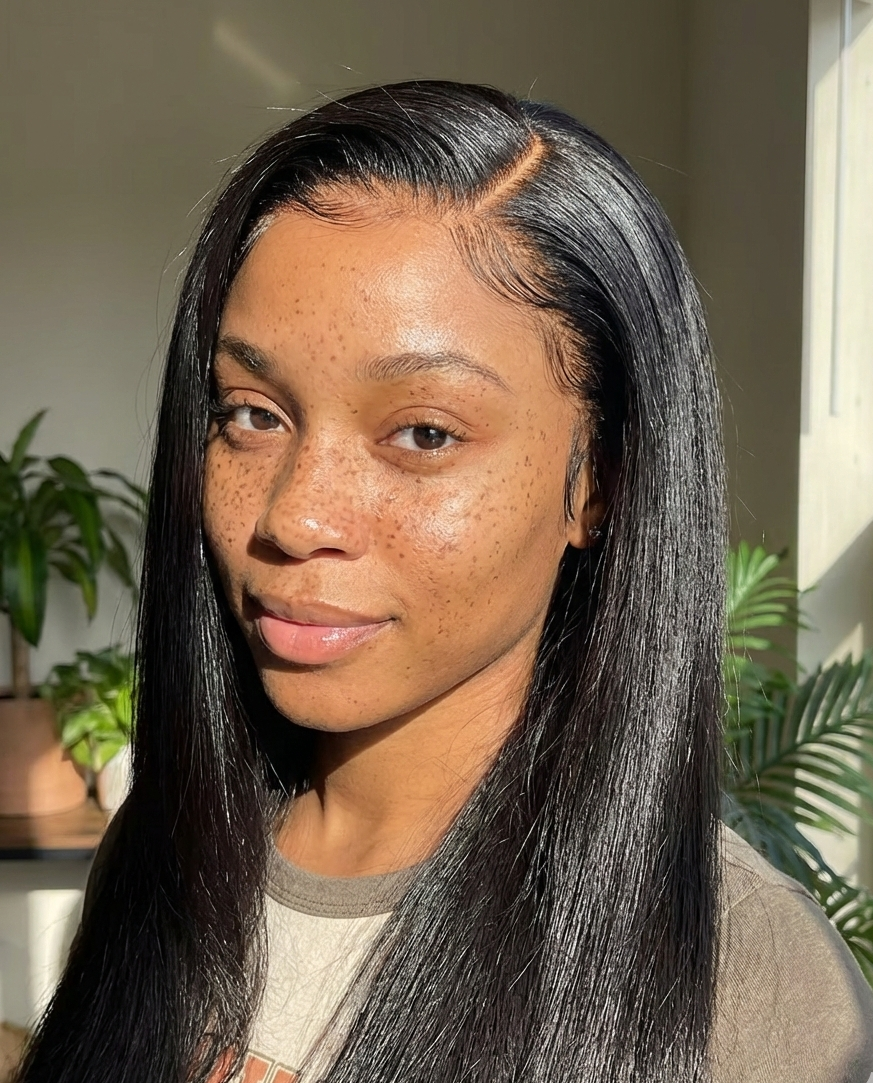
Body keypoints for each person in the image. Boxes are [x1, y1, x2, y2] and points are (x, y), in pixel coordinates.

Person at [18, 81, 873, 1083]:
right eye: (251, 413)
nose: (296, 515)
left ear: (601, 486)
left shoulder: (743, 982)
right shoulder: (165, 856)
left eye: (423, 433)